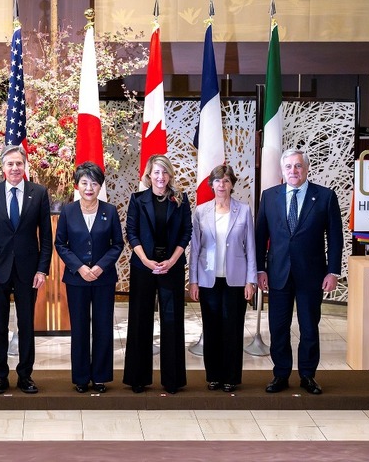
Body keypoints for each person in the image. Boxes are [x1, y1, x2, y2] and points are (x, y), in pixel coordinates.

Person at [255, 149, 343, 395]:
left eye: (298, 166)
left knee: (309, 327)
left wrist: (333, 272)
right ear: (282, 171)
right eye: (289, 167)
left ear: (306, 168)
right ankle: (281, 374)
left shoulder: (325, 197)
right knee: (278, 328)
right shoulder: (269, 196)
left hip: (312, 275)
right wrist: (260, 269)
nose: (293, 171)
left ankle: (307, 375)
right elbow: (260, 236)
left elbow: (335, 239)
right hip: (278, 274)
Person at [0, 145, 52, 395]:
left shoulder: (39, 193)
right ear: (2, 168)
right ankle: (0, 376)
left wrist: (42, 270)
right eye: (10, 164)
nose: (14, 168)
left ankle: (25, 375)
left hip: (28, 271)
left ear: (25, 166)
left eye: (19, 163)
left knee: (26, 324)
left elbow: (46, 237)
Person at [123, 154, 192, 394]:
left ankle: (172, 380)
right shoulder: (137, 199)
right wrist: (146, 260)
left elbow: (186, 233)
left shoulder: (181, 200)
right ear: (149, 176)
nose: (160, 177)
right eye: (156, 172)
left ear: (170, 175)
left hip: (171, 268)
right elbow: (131, 232)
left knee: (172, 321)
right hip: (144, 267)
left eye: (164, 172)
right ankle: (138, 379)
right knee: (140, 320)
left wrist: (172, 261)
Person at [55, 162, 123, 394]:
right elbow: (60, 244)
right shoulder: (68, 211)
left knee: (103, 326)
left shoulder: (110, 211)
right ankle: (82, 377)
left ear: (100, 186)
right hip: (77, 280)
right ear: (77, 185)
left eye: (94, 183)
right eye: (84, 183)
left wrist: (101, 267)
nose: (89, 187)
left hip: (104, 279)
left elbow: (118, 245)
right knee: (80, 328)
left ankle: (101, 377)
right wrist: (80, 267)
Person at [189, 164, 256, 393]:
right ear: (211, 185)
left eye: (226, 181)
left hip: (236, 280)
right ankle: (214, 376)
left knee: (233, 329)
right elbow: (195, 249)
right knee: (212, 328)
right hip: (209, 280)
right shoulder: (201, 212)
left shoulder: (244, 211)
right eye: (217, 181)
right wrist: (193, 280)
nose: (221, 185)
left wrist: (251, 280)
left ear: (232, 185)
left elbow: (251, 249)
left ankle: (231, 377)